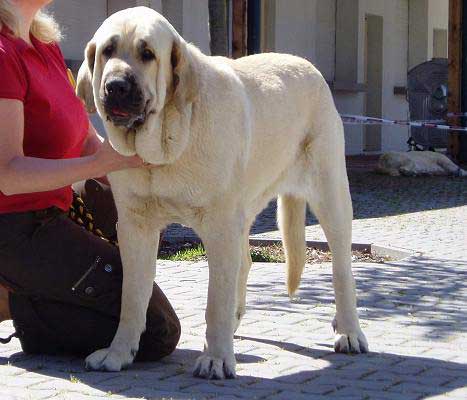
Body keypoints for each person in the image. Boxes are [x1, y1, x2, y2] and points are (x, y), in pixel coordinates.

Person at [0, 0, 180, 360]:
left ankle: (64, 285)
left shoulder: (45, 44)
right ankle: (15, 303)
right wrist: (101, 161)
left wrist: (135, 168)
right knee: (157, 330)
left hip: (57, 206)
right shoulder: (3, 55)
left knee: (144, 213)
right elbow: (8, 175)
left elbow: (83, 140)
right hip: (14, 227)